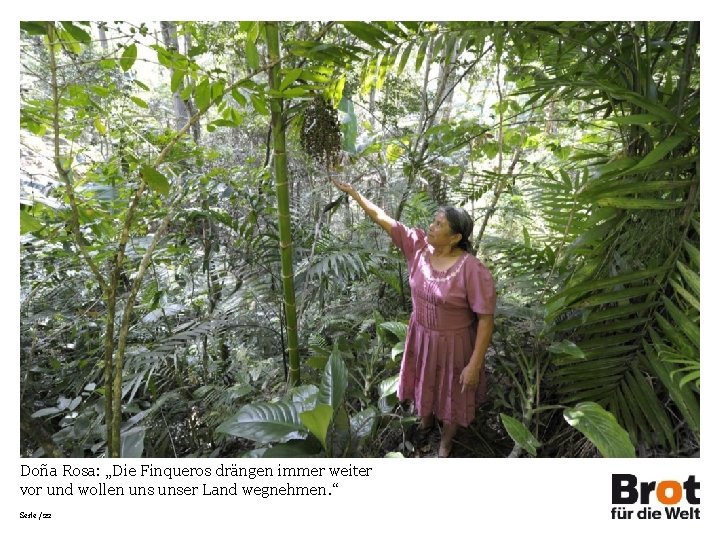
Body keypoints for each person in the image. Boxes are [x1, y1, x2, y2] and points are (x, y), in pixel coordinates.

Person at [332, 179, 496, 457]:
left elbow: (485, 319)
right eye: (433, 221)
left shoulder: (472, 270)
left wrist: (475, 364)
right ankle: (426, 420)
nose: (431, 227)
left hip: (455, 345)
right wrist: (355, 194)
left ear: (455, 237)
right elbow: (383, 219)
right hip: (421, 336)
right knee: (426, 381)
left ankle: (445, 443)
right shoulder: (418, 248)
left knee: (452, 393)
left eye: (439, 224)